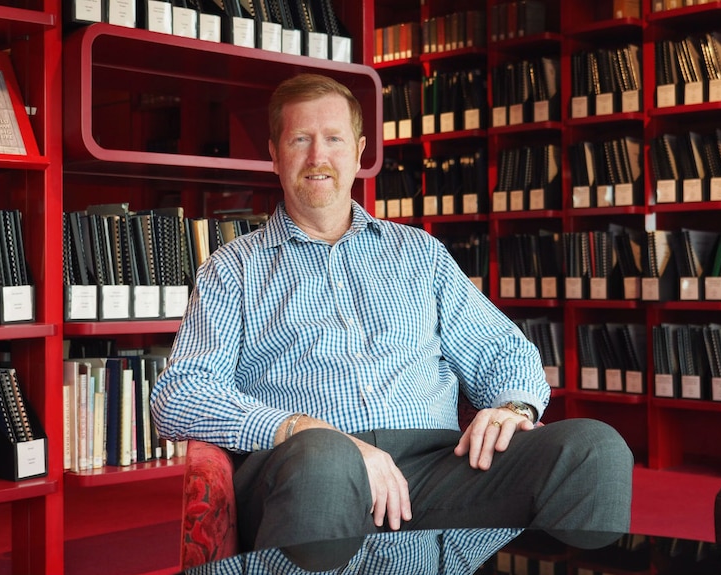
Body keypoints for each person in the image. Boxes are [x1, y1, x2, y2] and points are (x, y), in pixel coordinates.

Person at [150, 73, 633, 554]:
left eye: (334, 139)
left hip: (437, 468)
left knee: (595, 450)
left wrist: (513, 407)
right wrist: (302, 428)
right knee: (325, 460)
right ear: (275, 154)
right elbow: (179, 394)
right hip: (308, 470)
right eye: (301, 139)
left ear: (359, 151)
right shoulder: (233, 269)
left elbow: (504, 351)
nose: (319, 157)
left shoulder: (419, 253)